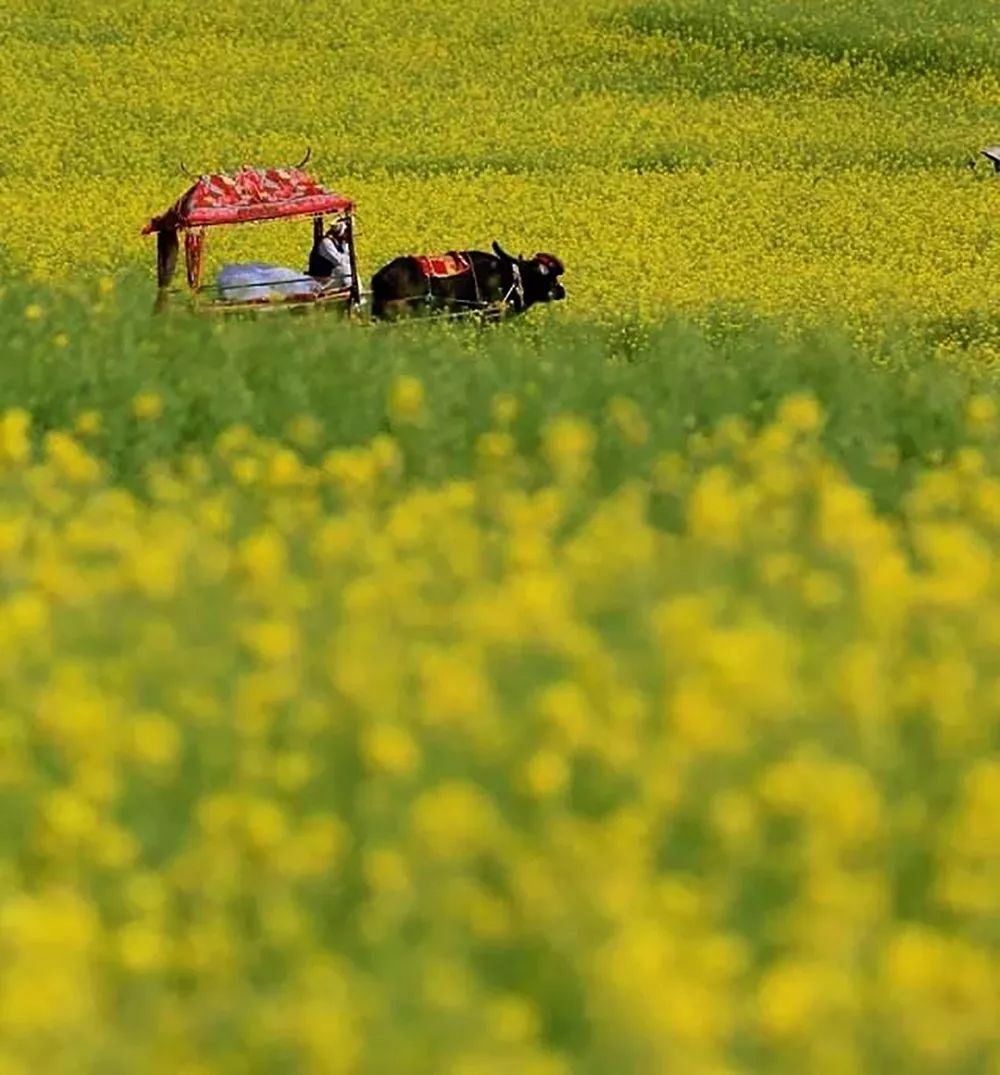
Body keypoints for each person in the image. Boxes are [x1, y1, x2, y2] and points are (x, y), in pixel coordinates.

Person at [308, 220, 353, 289]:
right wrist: (346, 245)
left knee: (349, 269)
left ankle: (353, 289)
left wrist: (345, 244)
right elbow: (338, 261)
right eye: (346, 231)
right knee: (344, 269)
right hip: (321, 279)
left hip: (330, 277)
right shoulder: (326, 243)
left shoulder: (339, 243)